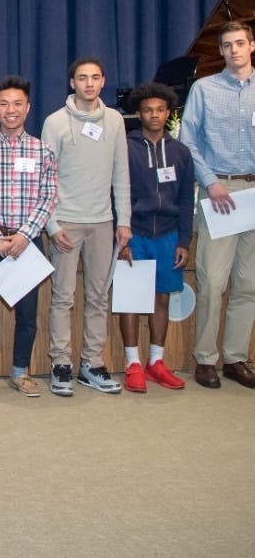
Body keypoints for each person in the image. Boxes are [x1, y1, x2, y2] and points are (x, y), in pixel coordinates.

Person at [41, 57, 131, 396]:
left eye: (95, 77)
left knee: (98, 298)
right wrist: (51, 225)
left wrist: (124, 220)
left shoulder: (115, 121)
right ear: (72, 83)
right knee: (62, 298)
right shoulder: (55, 122)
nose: (89, 83)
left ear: (103, 81)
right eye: (82, 78)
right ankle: (60, 364)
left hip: (103, 223)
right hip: (65, 223)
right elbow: (44, 179)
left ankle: (92, 364)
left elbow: (121, 173)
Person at [0, 75, 58, 397]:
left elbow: (49, 196)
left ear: (28, 108)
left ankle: (21, 372)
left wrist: (24, 235)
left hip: (27, 243)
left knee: (28, 313)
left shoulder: (43, 151)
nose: (11, 110)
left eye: (17, 104)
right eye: (4, 104)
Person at [179, 21, 255, 389]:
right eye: (226, 45)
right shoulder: (204, 89)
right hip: (219, 191)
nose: (233, 50)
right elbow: (187, 140)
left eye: (239, 43)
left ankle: (236, 358)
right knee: (212, 282)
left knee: (249, 283)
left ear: (252, 46)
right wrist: (210, 181)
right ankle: (206, 359)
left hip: (254, 191)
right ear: (221, 50)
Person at [116, 82, 193, 392]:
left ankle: (156, 362)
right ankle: (133, 363)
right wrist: (121, 236)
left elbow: (185, 199)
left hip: (168, 235)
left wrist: (184, 240)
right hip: (134, 233)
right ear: (139, 114)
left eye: (160, 110)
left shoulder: (181, 152)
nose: (154, 115)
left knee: (162, 298)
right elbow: (115, 193)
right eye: (148, 110)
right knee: (131, 299)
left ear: (168, 113)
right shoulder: (126, 148)